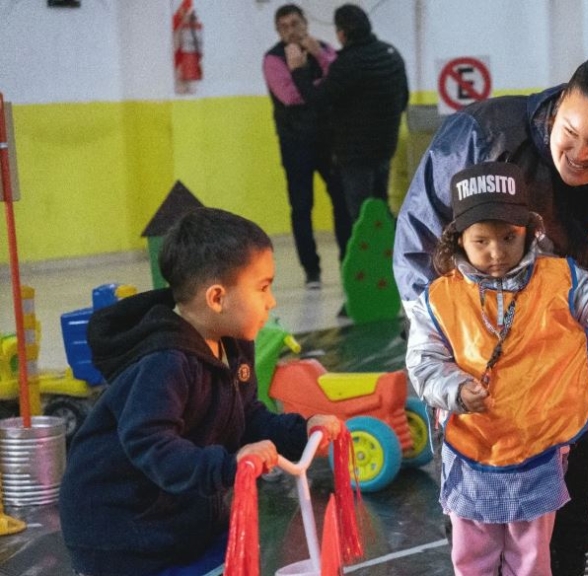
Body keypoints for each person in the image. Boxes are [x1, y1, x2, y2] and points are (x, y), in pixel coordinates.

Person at [393, 52, 588, 575]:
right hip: (475, 379)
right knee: (473, 528)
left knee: (562, 529)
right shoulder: (480, 136)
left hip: (559, 381)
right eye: (570, 132)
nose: (578, 154)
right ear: (557, 109)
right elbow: (418, 247)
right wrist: (444, 346)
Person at [59, 207, 342, 576]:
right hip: (120, 532)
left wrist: (299, 432)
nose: (271, 302)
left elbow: (247, 416)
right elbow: (150, 443)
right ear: (216, 298)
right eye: (263, 287)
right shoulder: (165, 361)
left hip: (178, 516)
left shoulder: (233, 343)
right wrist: (229, 465)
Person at [405, 161, 588, 576]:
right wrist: (456, 390)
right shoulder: (439, 299)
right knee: (471, 557)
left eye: (508, 238)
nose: (496, 253)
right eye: (481, 241)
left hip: (538, 449)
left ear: (530, 232)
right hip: (471, 449)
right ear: (459, 240)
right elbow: (424, 363)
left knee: (532, 559)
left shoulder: (559, 279)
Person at [287, 3, 409, 221]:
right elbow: (404, 98)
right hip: (385, 146)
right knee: (381, 206)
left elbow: (317, 100)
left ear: (341, 33)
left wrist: (298, 70)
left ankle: (374, 254)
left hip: (356, 154)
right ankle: (390, 252)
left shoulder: (348, 62)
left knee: (362, 217)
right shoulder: (391, 54)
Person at [264, 3, 352, 290]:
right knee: (301, 207)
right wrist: (313, 83)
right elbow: (291, 96)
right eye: (284, 27)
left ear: (306, 24)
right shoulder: (273, 59)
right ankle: (311, 271)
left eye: (295, 24)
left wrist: (317, 57)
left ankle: (348, 263)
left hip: (330, 141)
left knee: (342, 202)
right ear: (278, 31)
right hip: (295, 144)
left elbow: (339, 83)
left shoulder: (324, 49)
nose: (292, 31)